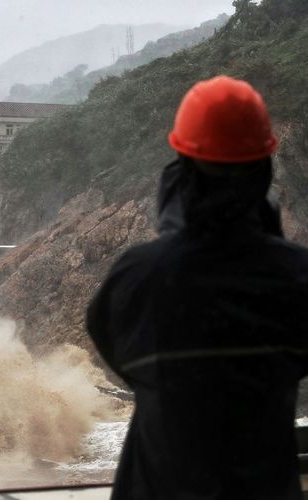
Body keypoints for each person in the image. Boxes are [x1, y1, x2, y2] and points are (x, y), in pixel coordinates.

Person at [87, 75, 308, 499]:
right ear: (263, 169)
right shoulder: (296, 278)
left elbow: (122, 356)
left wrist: (176, 226)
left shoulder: (139, 276)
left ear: (181, 169)